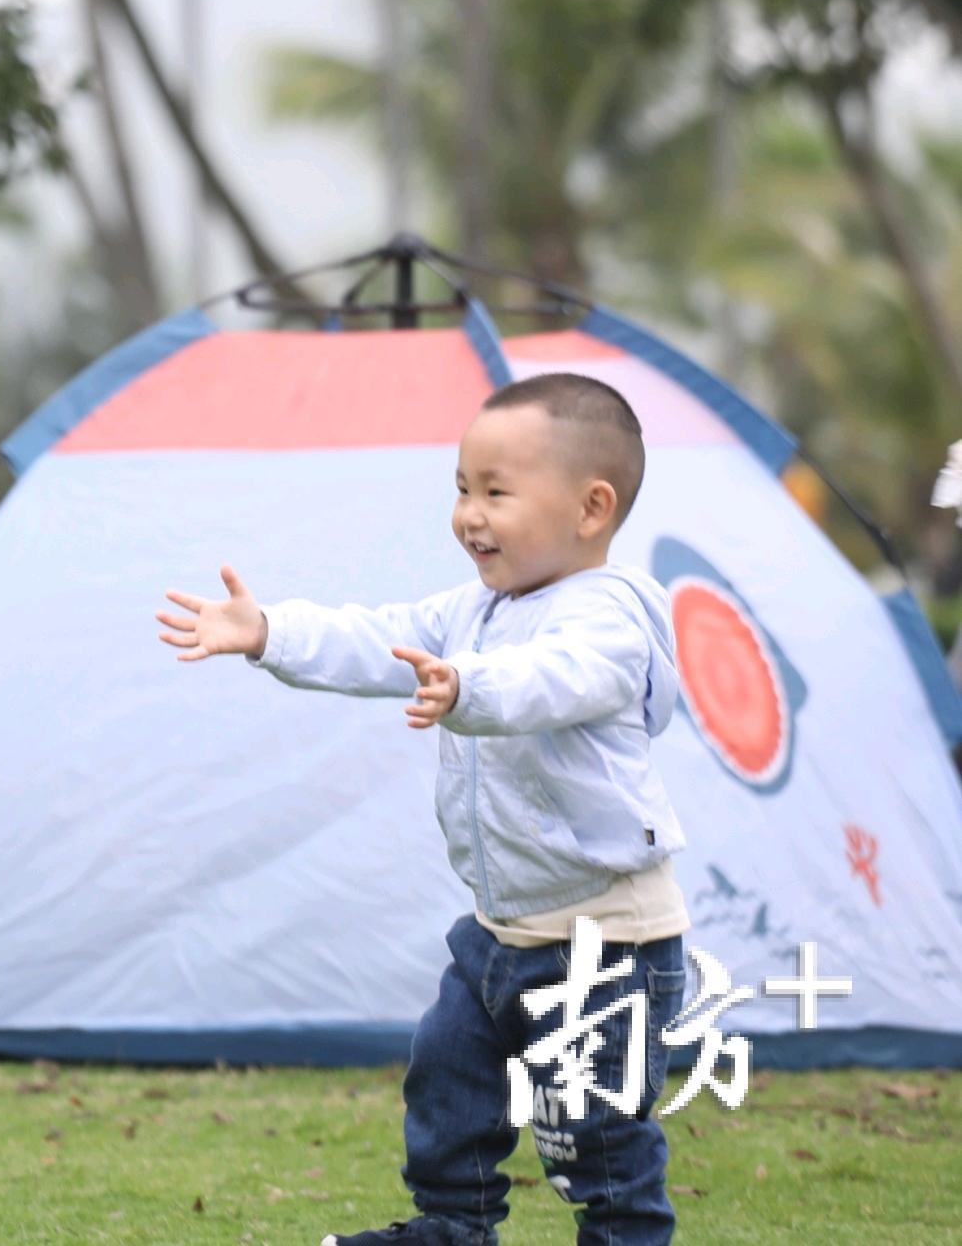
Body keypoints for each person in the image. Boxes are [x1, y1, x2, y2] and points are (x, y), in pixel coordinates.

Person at [157, 373, 689, 1246]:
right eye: (461, 488)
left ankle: (624, 1234)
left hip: (606, 943)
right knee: (447, 1078)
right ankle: (454, 1227)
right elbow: (378, 638)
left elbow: (551, 682)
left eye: (495, 492)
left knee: (596, 1138)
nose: (469, 514)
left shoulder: (611, 618)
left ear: (591, 508)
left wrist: (467, 686)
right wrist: (269, 634)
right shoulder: (471, 611)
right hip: (499, 931)